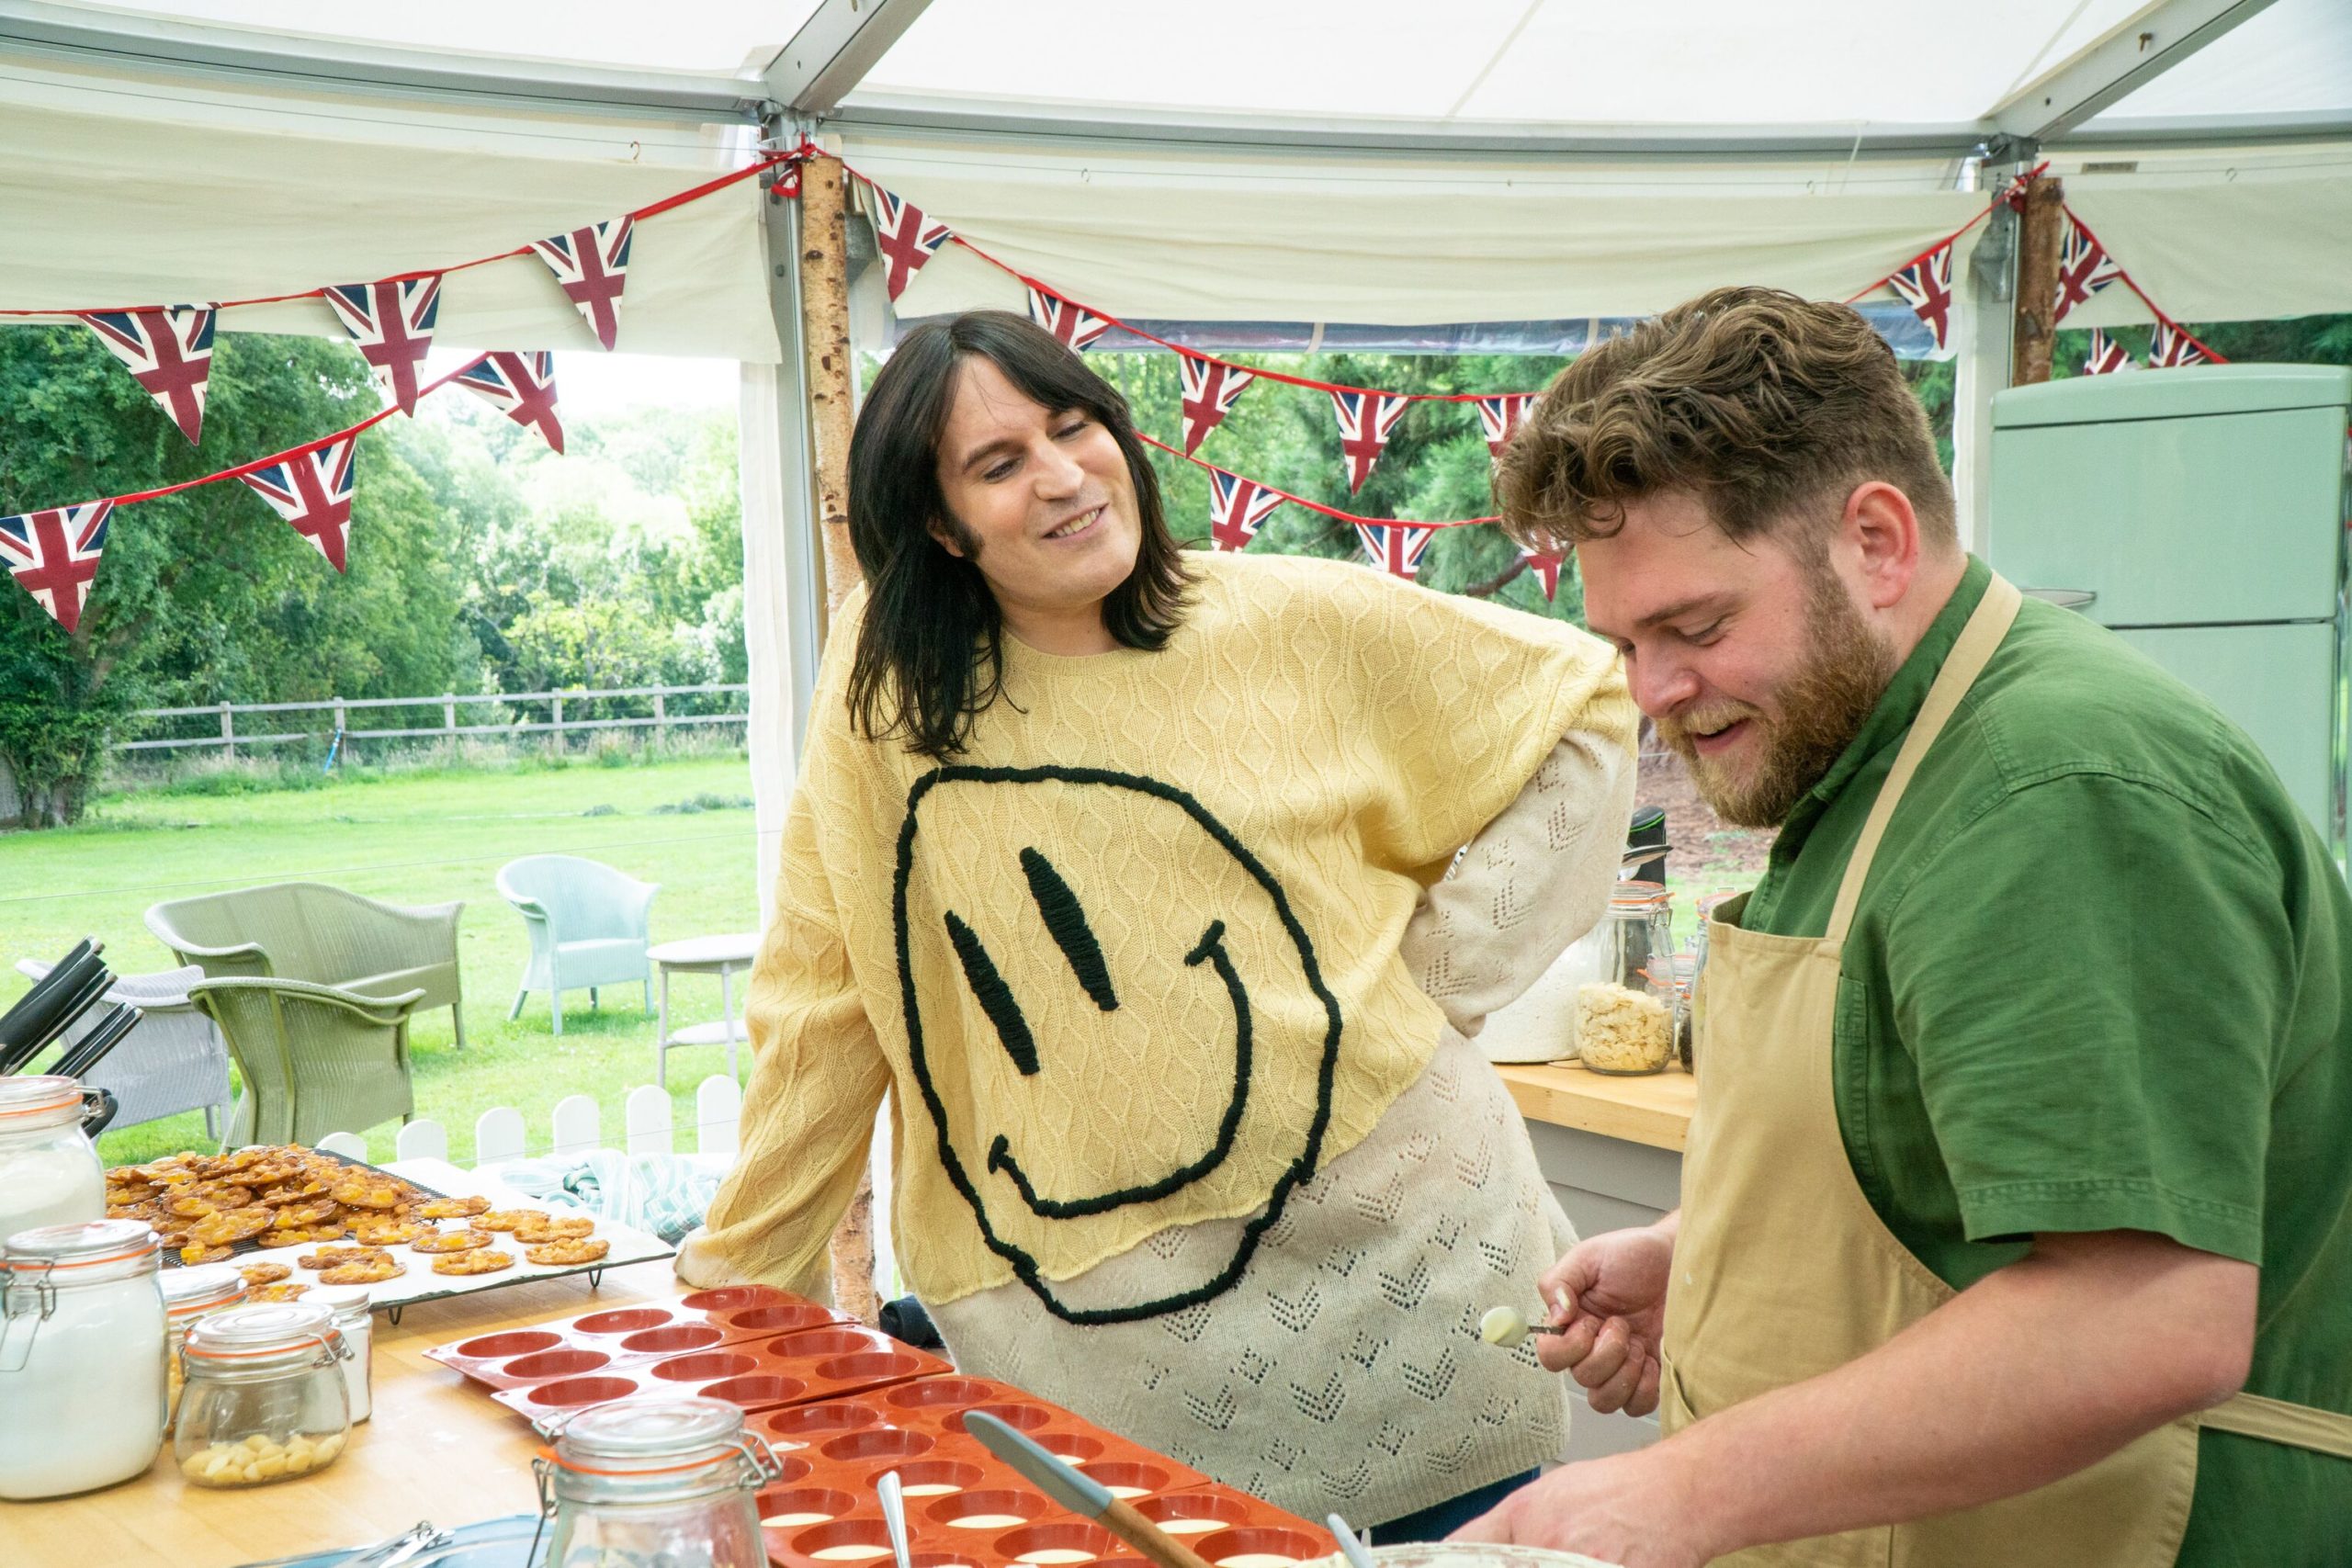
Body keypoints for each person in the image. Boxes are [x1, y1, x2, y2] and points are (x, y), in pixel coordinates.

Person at [677, 311, 1640, 1532]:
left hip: (1416, 1290)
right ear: (939, 525)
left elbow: (1582, 703)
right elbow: (826, 1000)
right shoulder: (889, 699)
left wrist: (1433, 979)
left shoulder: (1295, 618)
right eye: (999, 463)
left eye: (1074, 428)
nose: (1064, 477)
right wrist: (729, 1304)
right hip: (1098, 1360)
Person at [1457, 286, 2352, 1566]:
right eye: (1624, 643)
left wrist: (1674, 1496)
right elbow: (1936, 1172)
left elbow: (2142, 1311)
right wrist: (1704, 1263)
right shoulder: (1874, 757)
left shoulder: (2053, 788)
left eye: (1694, 627)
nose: (1652, 691)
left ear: (1875, 540)